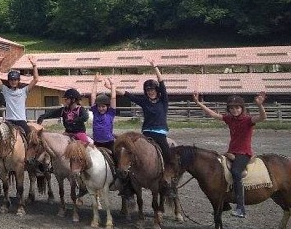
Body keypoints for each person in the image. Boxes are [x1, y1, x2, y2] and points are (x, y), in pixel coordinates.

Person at [192, 90, 267, 218]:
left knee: (236, 172)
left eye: (237, 107)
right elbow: (213, 114)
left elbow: (263, 117)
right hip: (230, 153)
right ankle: (225, 203)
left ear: (242, 108)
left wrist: (260, 105)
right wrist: (199, 103)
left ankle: (240, 208)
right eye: (231, 108)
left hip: (244, 154)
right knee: (219, 171)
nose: (234, 110)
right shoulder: (229, 119)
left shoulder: (248, 120)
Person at [114, 58, 174, 196]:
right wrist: (112, 88)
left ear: (156, 91)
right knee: (130, 154)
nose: (150, 92)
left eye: (152, 90)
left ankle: (169, 183)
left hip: (160, 134)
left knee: (168, 156)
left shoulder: (163, 101)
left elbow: (163, 84)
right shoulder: (144, 102)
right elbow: (129, 95)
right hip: (146, 134)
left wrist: (155, 67)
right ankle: (128, 185)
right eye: (148, 90)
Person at [0, 55, 39, 134]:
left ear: (18, 80)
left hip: (21, 120)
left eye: (15, 80)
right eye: (11, 80)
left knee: (30, 137)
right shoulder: (5, 90)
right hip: (9, 121)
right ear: (9, 81)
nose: (13, 82)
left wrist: (34, 65)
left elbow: (36, 79)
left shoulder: (24, 90)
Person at [90, 74, 117, 153]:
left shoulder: (111, 113)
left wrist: (112, 84)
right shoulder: (95, 112)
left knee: (115, 159)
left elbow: (113, 97)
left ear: (107, 106)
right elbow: (93, 96)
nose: (101, 108)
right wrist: (95, 82)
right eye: (99, 106)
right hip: (97, 142)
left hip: (109, 142)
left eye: (103, 106)